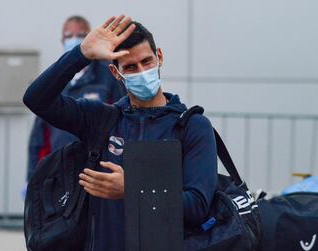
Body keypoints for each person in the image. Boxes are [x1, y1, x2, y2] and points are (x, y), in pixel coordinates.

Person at [23, 15, 217, 251]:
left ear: (160, 58)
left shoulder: (192, 126)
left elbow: (197, 206)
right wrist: (81, 54)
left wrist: (132, 190)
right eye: (131, 67)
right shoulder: (102, 119)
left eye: (147, 61)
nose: (142, 71)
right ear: (116, 73)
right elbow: (36, 99)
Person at [26, 15, 126, 181]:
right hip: (59, 170)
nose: (74, 39)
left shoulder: (108, 76)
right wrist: (33, 176)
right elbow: (39, 135)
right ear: (61, 39)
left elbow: (121, 124)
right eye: (68, 36)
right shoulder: (54, 79)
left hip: (97, 169)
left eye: (80, 35)